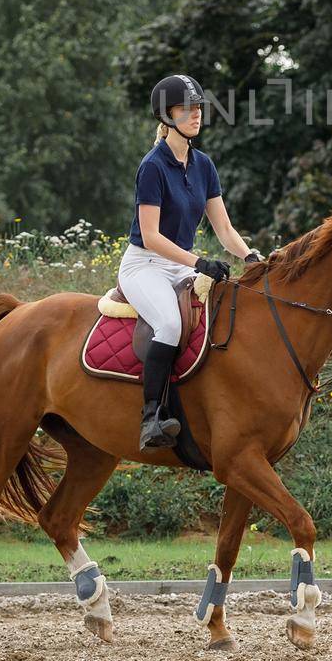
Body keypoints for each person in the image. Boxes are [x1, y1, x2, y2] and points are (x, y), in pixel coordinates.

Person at [118, 74, 265, 450]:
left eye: (198, 107)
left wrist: (250, 256)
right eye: (187, 108)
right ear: (168, 116)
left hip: (181, 265)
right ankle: (151, 417)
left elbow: (225, 228)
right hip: (145, 265)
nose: (196, 115)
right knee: (168, 322)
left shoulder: (203, 165)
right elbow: (150, 235)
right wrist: (199, 262)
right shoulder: (152, 166)